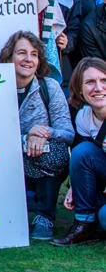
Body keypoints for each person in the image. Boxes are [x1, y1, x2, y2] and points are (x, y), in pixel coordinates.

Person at [0, 31, 74, 240]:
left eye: (34, 54)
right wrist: (26, 137)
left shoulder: (49, 87)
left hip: (40, 158)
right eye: (21, 53)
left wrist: (44, 133)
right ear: (8, 57)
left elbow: (67, 133)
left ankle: (45, 217)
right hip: (4, 159)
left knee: (56, 152)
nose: (28, 59)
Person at [52, 58, 106, 246]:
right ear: (80, 89)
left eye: (104, 80)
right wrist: (76, 186)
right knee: (82, 150)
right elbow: (85, 158)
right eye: (90, 82)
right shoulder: (84, 116)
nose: (98, 88)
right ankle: (84, 224)